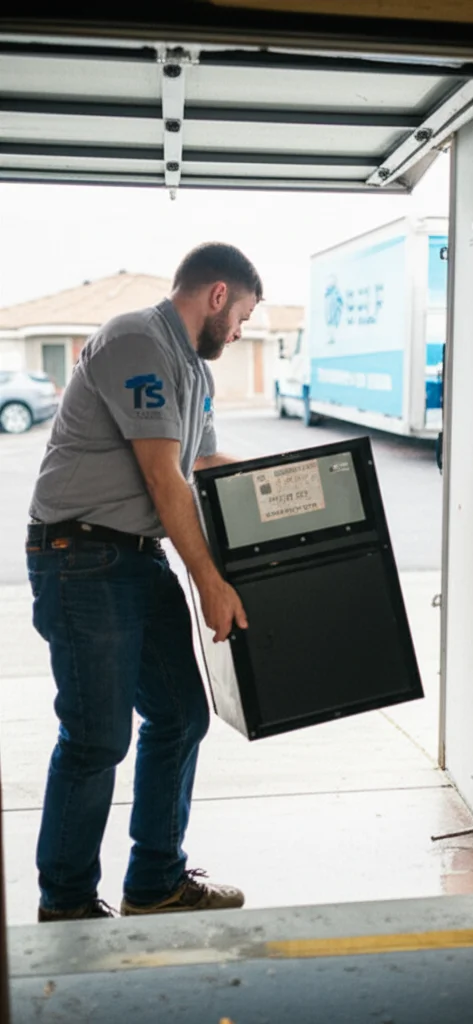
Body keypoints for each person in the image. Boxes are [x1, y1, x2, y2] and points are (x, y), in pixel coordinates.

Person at [26, 243, 263, 922]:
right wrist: (211, 582)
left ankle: (156, 880)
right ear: (218, 295)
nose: (242, 330)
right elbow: (165, 477)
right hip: (81, 559)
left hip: (134, 558)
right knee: (98, 737)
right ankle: (66, 902)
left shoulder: (195, 371)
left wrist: (306, 485)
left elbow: (206, 460)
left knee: (180, 715)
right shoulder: (136, 339)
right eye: (243, 314)